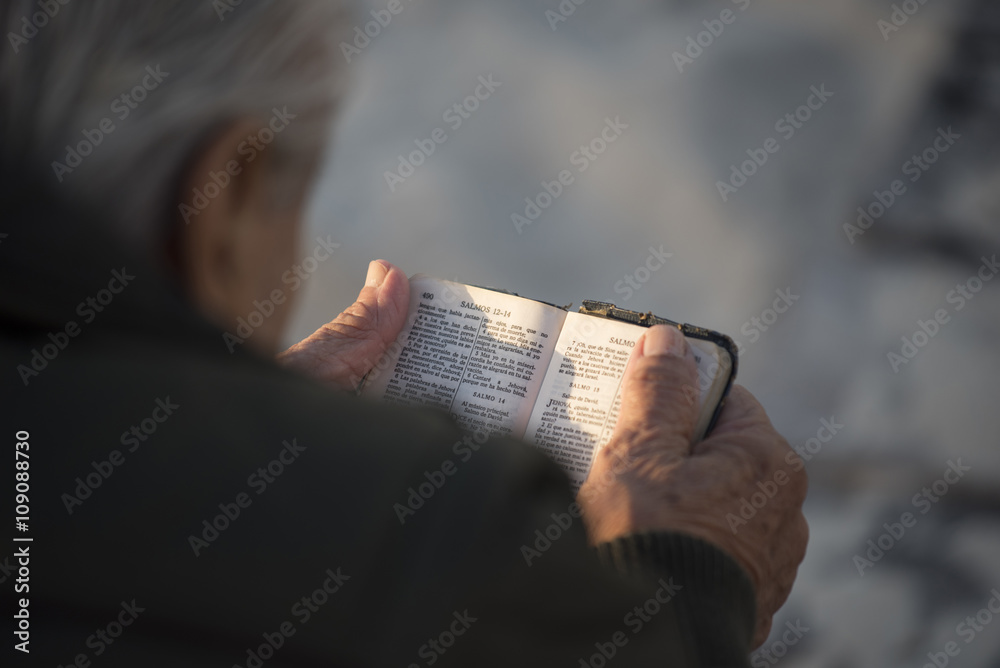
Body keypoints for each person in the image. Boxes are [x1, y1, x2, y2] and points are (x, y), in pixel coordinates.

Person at [0, 1, 807, 665]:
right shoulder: (427, 535)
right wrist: (686, 585)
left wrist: (225, 448)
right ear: (226, 202)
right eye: (294, 197)